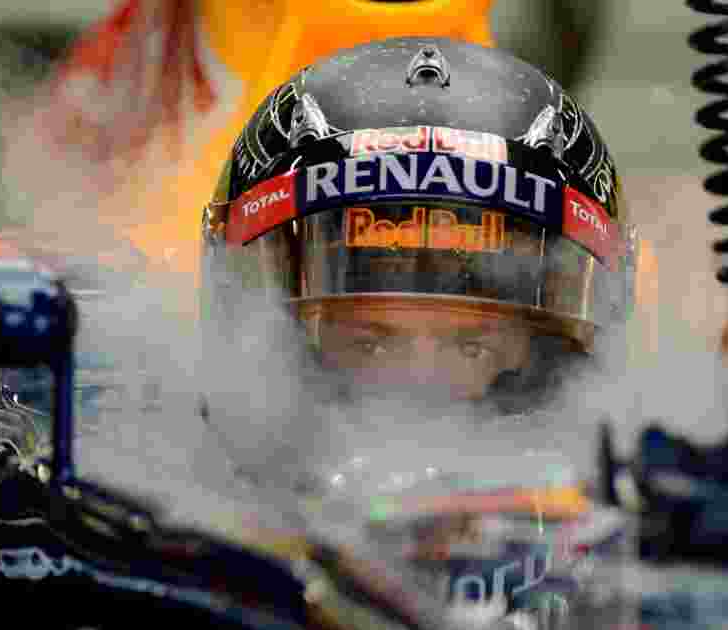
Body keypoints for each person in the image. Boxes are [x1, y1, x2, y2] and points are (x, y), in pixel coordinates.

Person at [195, 36, 640, 625]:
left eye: (470, 344)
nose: (420, 383)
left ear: (555, 360)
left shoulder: (647, 557)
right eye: (372, 341)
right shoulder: (161, 519)